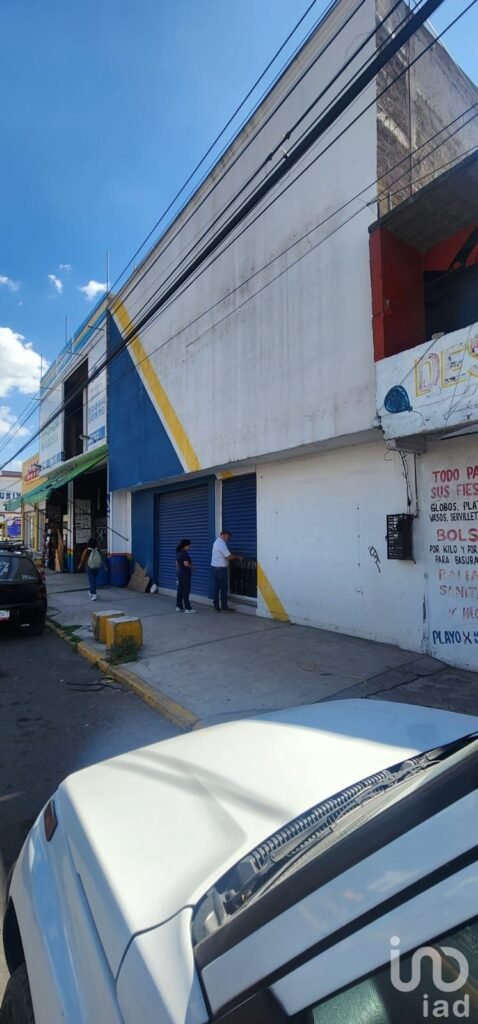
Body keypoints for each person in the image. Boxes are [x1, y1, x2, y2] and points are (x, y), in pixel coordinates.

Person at [210, 530, 240, 612]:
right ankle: (224, 607)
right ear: (223, 535)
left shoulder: (216, 542)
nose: (229, 539)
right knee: (223, 588)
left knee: (216, 588)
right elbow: (228, 557)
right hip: (221, 570)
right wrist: (238, 557)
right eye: (228, 537)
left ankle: (216, 606)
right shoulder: (221, 544)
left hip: (214, 568)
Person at [78, 537, 103, 601]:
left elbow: (83, 559)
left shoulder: (87, 550)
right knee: (93, 581)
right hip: (97, 567)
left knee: (92, 581)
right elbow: (101, 558)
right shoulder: (98, 550)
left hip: (89, 567)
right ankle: (93, 593)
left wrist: (80, 565)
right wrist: (104, 567)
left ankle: (92, 593)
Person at [175, 539, 196, 614]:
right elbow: (186, 564)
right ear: (185, 546)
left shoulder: (178, 553)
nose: (190, 547)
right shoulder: (184, 554)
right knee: (186, 591)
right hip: (185, 574)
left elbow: (176, 564)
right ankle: (188, 608)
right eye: (189, 545)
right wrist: (192, 567)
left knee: (180, 590)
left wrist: (178, 573)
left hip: (180, 573)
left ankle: (179, 606)